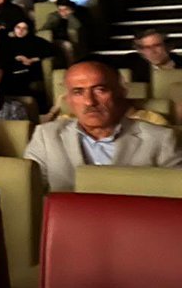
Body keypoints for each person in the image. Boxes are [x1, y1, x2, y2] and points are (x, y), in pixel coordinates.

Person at [25, 61, 182, 191]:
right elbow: (33, 197)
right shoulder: (45, 136)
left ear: (121, 92)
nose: (90, 102)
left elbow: (175, 200)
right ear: (69, 99)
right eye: (78, 92)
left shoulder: (160, 139)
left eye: (100, 90)